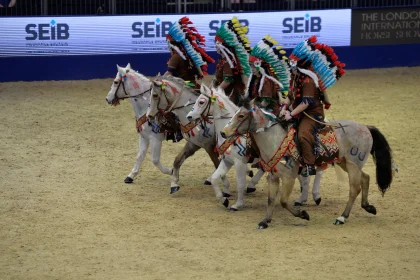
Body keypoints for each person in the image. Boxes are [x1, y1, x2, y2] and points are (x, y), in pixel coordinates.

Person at [280, 35, 346, 176]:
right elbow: (290, 96)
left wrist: (291, 114)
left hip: (312, 114)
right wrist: (283, 108)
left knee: (303, 134)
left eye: (293, 64)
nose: (290, 67)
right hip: (299, 112)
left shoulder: (308, 81)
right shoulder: (295, 77)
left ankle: (309, 165)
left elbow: (305, 102)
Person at [163, 16, 215, 142]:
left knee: (164, 107)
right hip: (193, 85)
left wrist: (158, 81)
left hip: (183, 88)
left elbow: (169, 74)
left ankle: (175, 131)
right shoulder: (186, 54)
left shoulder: (176, 57)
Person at [246, 35, 290, 116]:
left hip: (270, 113)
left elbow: (266, 101)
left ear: (260, 66)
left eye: (253, 66)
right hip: (259, 111)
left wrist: (252, 111)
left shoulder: (266, 80)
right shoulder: (255, 79)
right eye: (250, 66)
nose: (252, 69)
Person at [214, 16, 252, 104]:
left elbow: (228, 80)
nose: (215, 47)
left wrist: (216, 92)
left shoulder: (228, 62)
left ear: (222, 46)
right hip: (224, 93)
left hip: (230, 97)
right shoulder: (222, 60)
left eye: (216, 44)